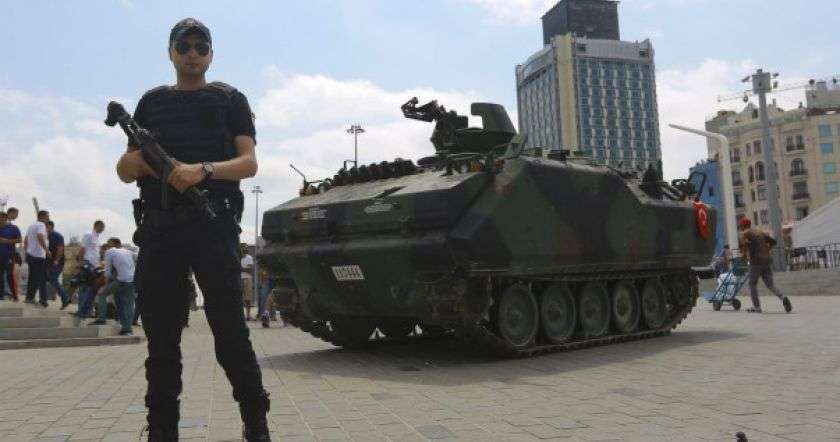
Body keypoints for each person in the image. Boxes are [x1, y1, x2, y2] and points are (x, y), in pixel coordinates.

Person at [114, 18, 270, 441]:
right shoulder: (151, 103)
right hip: (160, 229)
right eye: (184, 46)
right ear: (170, 52)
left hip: (213, 225)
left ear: (211, 55)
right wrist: (137, 163)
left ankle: (256, 422)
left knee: (230, 330)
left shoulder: (230, 99)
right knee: (161, 339)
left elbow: (249, 163)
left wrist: (202, 170)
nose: (192, 54)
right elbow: (125, 169)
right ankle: (162, 428)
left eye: (201, 47)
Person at [738, 218, 793, 313]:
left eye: (740, 226)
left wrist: (743, 255)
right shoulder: (759, 232)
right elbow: (773, 242)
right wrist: (767, 249)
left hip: (756, 261)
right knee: (770, 284)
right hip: (767, 260)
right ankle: (782, 297)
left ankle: (757, 307)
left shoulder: (745, 233)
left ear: (742, 225)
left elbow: (744, 246)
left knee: (752, 284)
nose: (740, 227)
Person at [90, 238, 136, 335]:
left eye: (109, 245)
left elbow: (107, 272)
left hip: (121, 279)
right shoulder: (128, 251)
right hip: (132, 280)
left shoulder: (109, 252)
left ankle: (101, 319)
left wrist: (106, 286)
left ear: (113, 245)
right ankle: (127, 329)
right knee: (128, 304)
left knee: (102, 295)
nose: (107, 247)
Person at [75, 220, 105, 317]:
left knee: (90, 288)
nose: (103, 229)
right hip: (87, 263)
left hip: (94, 266)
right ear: (97, 225)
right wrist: (80, 263)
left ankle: (87, 311)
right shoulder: (89, 235)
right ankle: (81, 310)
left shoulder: (97, 238)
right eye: (102, 227)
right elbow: (82, 249)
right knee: (84, 287)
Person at [23, 210, 51, 306]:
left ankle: (29, 297)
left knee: (32, 277)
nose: (48, 218)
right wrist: (46, 250)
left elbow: (26, 240)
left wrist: (27, 251)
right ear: (42, 217)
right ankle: (31, 298)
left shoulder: (31, 226)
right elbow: (40, 237)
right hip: (38, 255)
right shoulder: (41, 225)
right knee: (37, 277)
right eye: (47, 216)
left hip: (31, 254)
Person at [46, 221, 70, 309]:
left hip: (57, 262)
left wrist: (56, 260)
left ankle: (65, 298)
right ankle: (64, 298)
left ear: (51, 227)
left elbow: (60, 248)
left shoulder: (57, 236)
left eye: (47, 227)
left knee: (53, 279)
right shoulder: (46, 236)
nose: (45, 229)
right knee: (48, 279)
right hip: (48, 262)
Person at [0, 211, 22, 301]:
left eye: (2, 218)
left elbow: (19, 240)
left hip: (9, 255)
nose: (0, 219)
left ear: (6, 218)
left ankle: (15, 296)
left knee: (9, 275)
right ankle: (1, 295)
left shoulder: (13, 228)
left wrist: (6, 241)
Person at [4, 207, 20, 299]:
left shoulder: (11, 226)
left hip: (9, 253)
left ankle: (9, 293)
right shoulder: (8, 225)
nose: (17, 216)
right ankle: (13, 294)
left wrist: (16, 252)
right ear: (11, 213)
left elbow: (17, 240)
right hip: (7, 254)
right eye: (16, 214)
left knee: (8, 273)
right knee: (9, 274)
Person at [241, 243, 255, 320]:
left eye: (246, 248)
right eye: (244, 248)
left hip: (248, 278)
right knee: (239, 298)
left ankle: (248, 315)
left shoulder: (249, 258)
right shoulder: (237, 257)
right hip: (239, 279)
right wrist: (244, 269)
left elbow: (250, 270)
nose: (246, 249)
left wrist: (240, 268)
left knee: (248, 298)